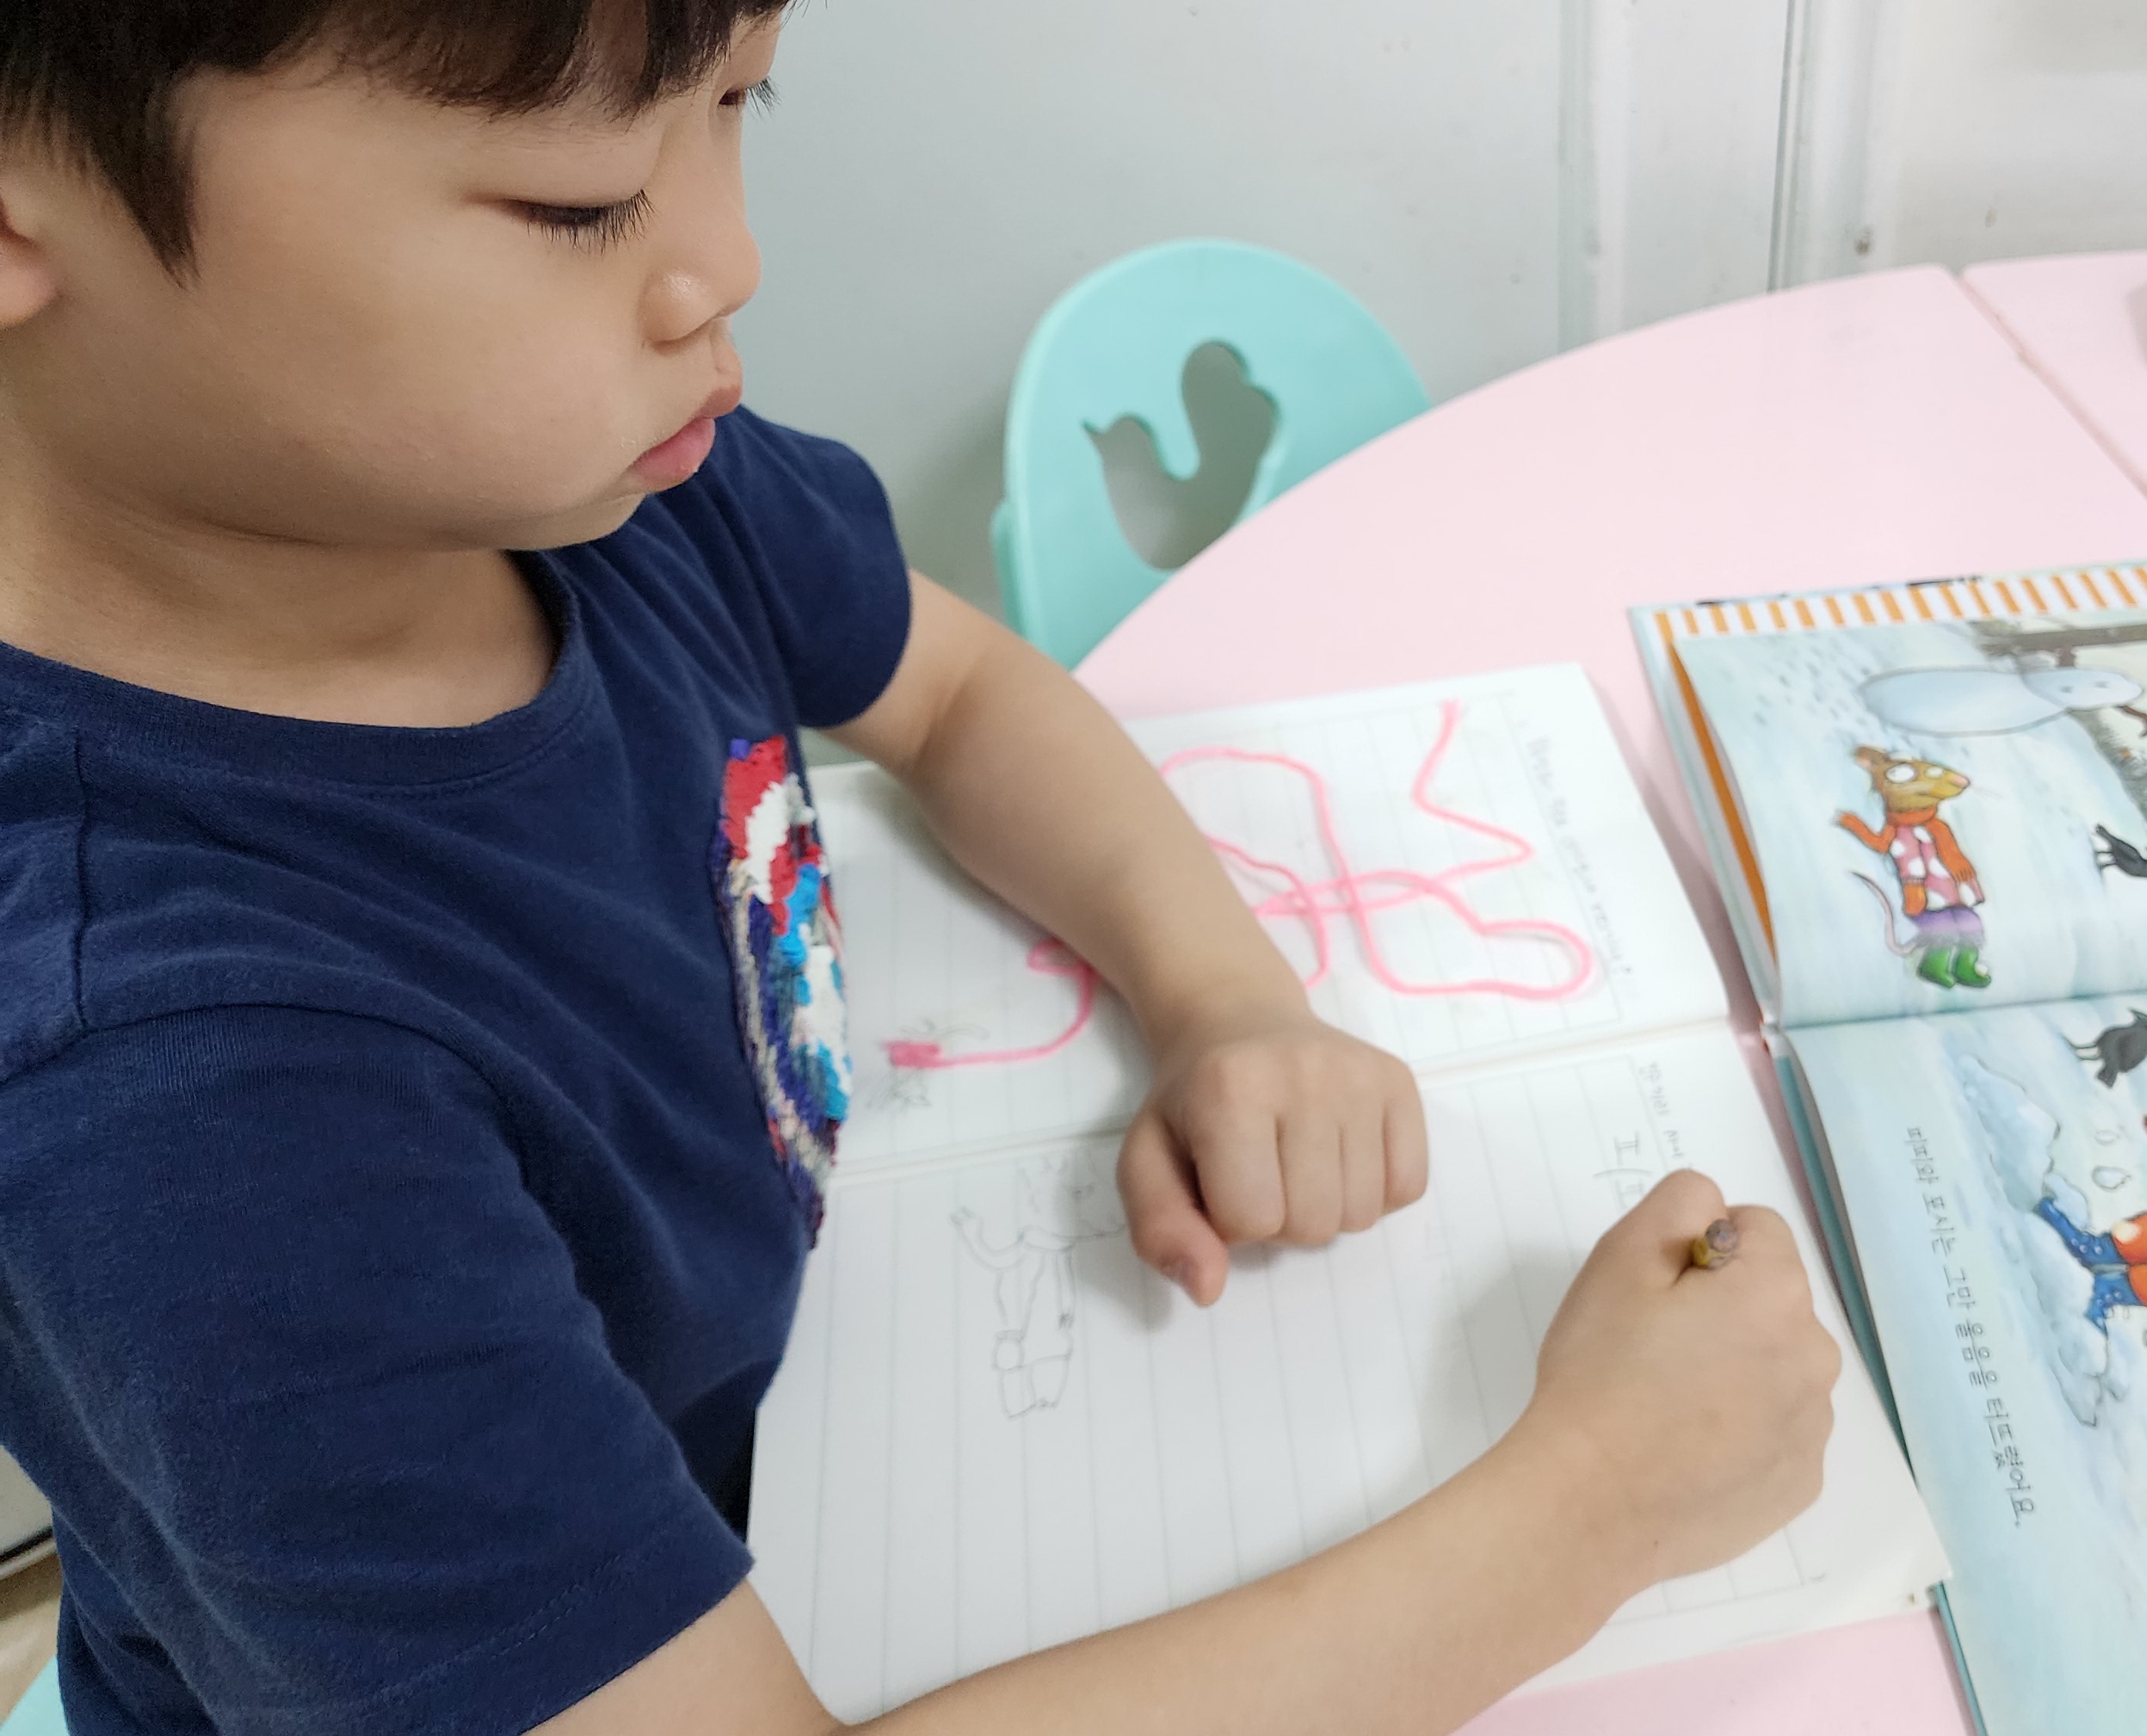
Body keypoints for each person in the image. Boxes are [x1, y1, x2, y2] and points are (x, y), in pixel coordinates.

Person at [0, 5, 1841, 1733]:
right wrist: (1595, 1506)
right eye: (579, 201)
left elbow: (955, 692)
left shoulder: (581, 483)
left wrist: (1222, 996)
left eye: (739, 98)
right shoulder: (183, 1101)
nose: (726, 262)